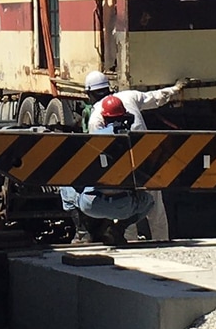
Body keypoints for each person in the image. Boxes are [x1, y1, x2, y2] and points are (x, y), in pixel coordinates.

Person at [60, 94, 156, 245]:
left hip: (92, 204)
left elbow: (77, 174)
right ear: (125, 116)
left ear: (103, 118)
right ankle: (117, 230)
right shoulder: (136, 142)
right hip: (125, 207)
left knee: (64, 187)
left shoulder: (94, 140)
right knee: (149, 200)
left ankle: (82, 233)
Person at [83, 70, 188, 132]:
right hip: (143, 146)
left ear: (89, 93)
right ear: (109, 87)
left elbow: (96, 142)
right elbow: (156, 98)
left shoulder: (96, 116)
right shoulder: (129, 95)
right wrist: (175, 88)